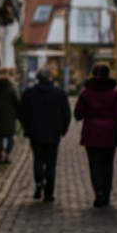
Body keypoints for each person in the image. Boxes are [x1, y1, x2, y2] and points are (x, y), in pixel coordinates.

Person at [74, 62, 117, 207]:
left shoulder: (86, 92)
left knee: (94, 165)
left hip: (92, 132)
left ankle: (99, 193)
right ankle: (107, 193)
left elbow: (78, 113)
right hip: (110, 132)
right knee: (108, 165)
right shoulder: (114, 92)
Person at [18, 67, 72, 202]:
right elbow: (67, 114)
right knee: (51, 164)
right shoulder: (59, 93)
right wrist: (62, 130)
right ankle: (49, 192)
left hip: (35, 133)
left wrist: (27, 128)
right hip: (53, 134)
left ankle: (38, 183)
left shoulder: (29, 93)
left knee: (38, 160)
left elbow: (22, 113)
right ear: (50, 78)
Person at [0, 68, 21, 164]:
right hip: (9, 116)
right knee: (10, 136)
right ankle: (7, 154)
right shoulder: (11, 89)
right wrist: (17, 115)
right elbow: (16, 102)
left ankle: (0, 154)